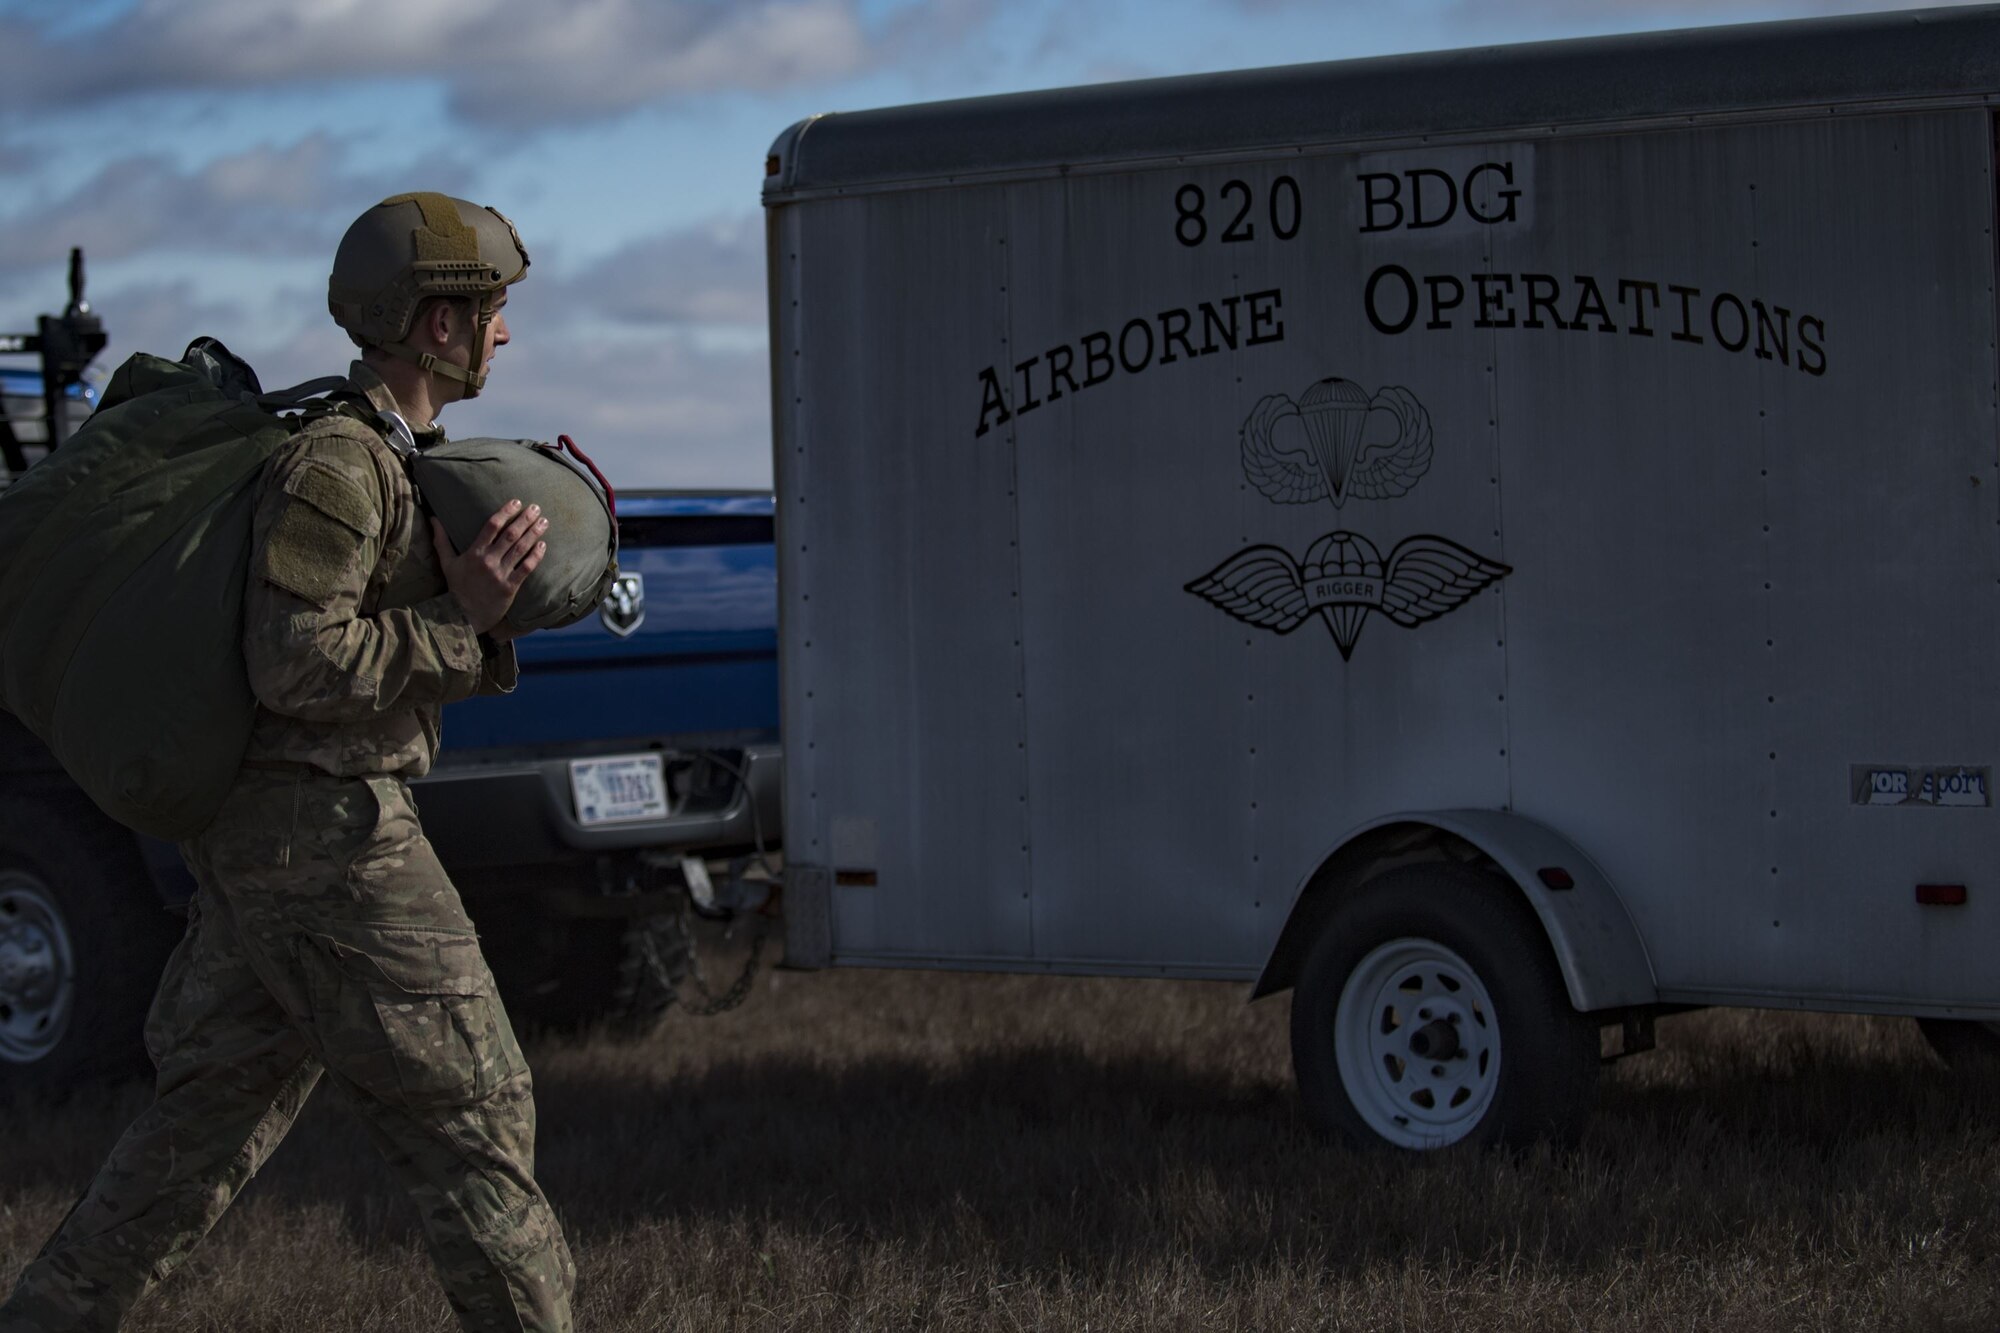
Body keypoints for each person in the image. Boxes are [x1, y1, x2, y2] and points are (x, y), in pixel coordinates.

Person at [0, 193, 576, 1333]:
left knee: (199, 1128)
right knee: (476, 1117)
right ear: (436, 325)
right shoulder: (338, 466)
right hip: (328, 841)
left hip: (277, 848)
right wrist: (464, 626)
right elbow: (296, 663)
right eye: (492, 309)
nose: (504, 332)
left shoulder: (391, 456)